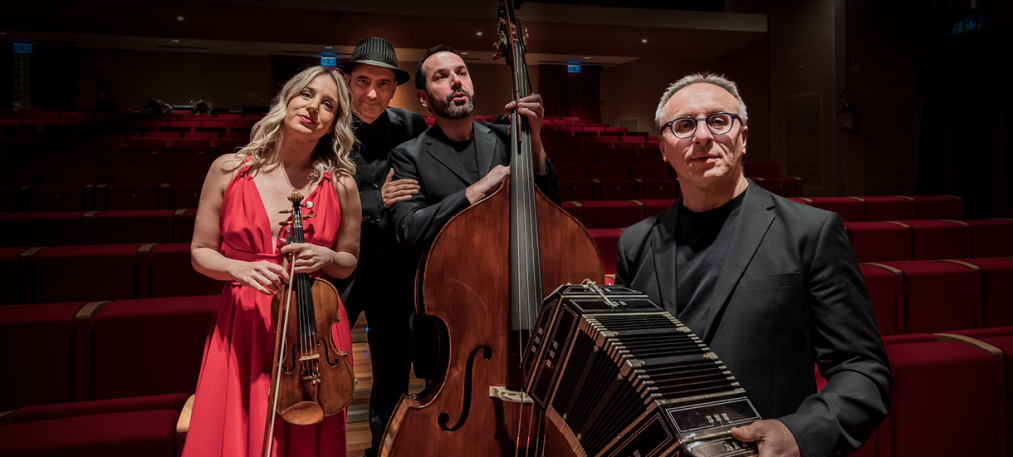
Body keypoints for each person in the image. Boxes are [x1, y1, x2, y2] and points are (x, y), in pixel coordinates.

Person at [614, 73, 891, 457]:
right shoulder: (635, 243)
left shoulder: (810, 232)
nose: (702, 136)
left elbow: (862, 369)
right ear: (663, 148)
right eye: (683, 125)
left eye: (718, 120)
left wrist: (798, 434)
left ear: (742, 136)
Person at [183, 65, 361, 457]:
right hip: (246, 320)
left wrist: (328, 255)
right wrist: (237, 268)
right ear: (287, 99)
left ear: (334, 123)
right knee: (241, 426)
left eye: (328, 104)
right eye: (307, 95)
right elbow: (200, 252)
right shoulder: (228, 170)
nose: (314, 107)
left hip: (313, 329)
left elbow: (348, 262)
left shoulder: (342, 183)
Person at [388, 44, 560, 379]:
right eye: (441, 76)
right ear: (424, 98)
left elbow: (552, 205)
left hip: (514, 300)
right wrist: (471, 193)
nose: (456, 81)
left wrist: (535, 137)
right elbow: (409, 229)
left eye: (461, 72)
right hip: (450, 314)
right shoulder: (408, 155)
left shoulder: (506, 139)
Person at [333, 37, 428, 457]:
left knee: (392, 374)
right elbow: (312, 194)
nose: (373, 93)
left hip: (394, 267)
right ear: (347, 82)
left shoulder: (410, 125)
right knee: (324, 363)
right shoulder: (325, 125)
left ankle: (381, 451)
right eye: (363, 81)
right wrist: (374, 200)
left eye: (384, 84)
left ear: (394, 88)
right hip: (341, 266)